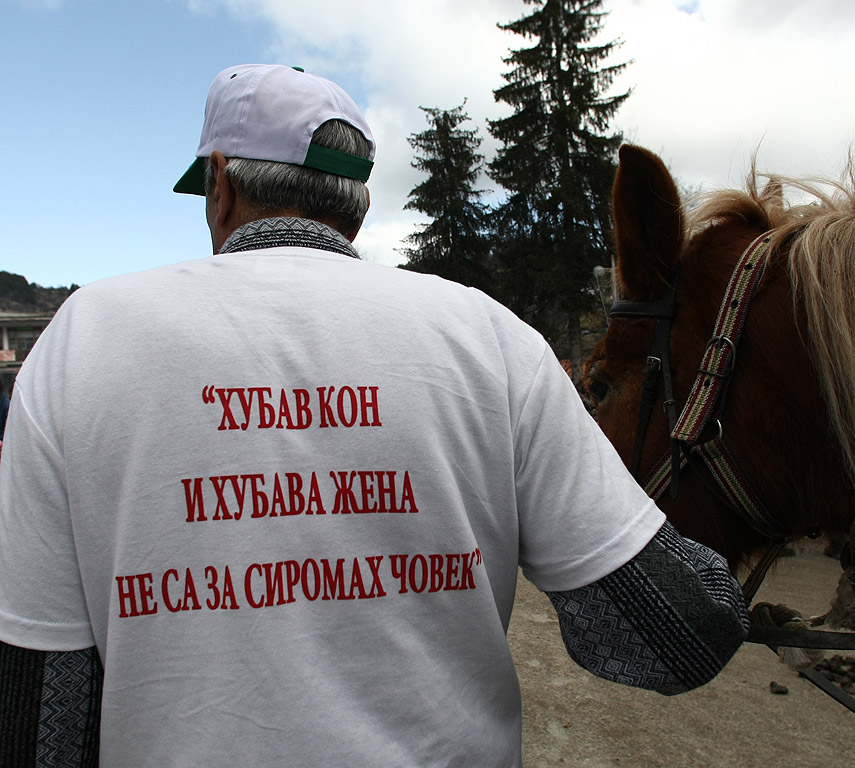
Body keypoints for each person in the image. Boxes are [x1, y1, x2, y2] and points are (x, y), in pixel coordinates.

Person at [0, 64, 747, 767]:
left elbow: (41, 718)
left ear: (220, 185)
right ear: (355, 205)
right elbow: (678, 637)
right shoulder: (488, 338)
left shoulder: (84, 338)